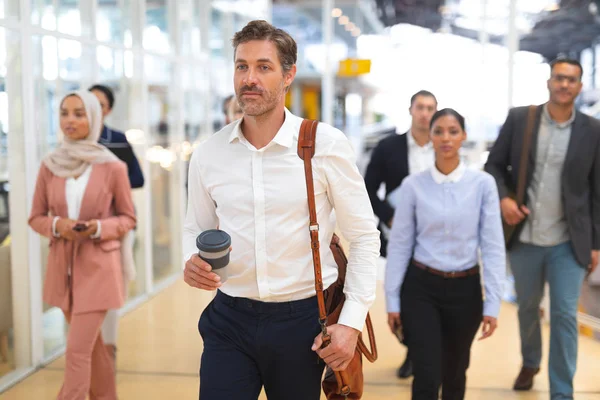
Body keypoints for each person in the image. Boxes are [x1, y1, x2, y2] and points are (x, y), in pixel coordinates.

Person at [183, 20, 380, 400]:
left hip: (302, 323)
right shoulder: (210, 153)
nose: (249, 78)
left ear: (288, 75)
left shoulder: (323, 145)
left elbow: (364, 238)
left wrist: (351, 324)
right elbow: (196, 227)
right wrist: (189, 261)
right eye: (242, 66)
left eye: (263, 66)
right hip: (229, 318)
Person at [485, 57, 600, 399]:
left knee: (565, 314)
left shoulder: (592, 130)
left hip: (569, 240)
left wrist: (596, 244)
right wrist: (504, 199)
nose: (565, 84)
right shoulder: (521, 118)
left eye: (572, 80)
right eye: (559, 78)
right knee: (527, 307)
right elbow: (493, 165)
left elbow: (597, 191)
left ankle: (561, 392)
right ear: (549, 82)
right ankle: (531, 360)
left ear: (580, 87)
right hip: (525, 237)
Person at [385, 108, 505, 400]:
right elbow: (400, 244)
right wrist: (392, 299)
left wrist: (493, 303)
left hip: (465, 289)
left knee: (455, 372)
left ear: (463, 136)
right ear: (430, 137)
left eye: (453, 131)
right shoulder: (413, 185)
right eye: (438, 131)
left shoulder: (482, 184)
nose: (446, 138)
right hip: (421, 287)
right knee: (426, 372)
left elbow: (492, 246)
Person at [28, 90, 136, 400]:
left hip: (99, 270)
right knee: (95, 349)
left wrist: (98, 228)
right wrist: (58, 226)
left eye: (79, 113)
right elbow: (35, 216)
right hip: (63, 271)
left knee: (76, 352)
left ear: (94, 117)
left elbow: (128, 217)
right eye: (64, 113)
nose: (70, 120)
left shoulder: (112, 166)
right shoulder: (50, 165)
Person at [364, 90, 437, 378]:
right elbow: (368, 189)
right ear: (410, 110)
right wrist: (390, 217)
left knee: (430, 295)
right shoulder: (388, 147)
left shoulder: (443, 146)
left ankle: (420, 355)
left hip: (436, 238)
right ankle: (412, 348)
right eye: (420, 107)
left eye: (430, 108)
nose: (425, 113)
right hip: (399, 237)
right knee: (405, 297)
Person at [89, 84, 144, 365]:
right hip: (84, 227)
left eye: (99, 104)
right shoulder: (72, 142)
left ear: (108, 109)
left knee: (111, 287)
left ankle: (107, 347)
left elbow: (138, 178)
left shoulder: (118, 140)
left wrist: (107, 184)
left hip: (117, 223)